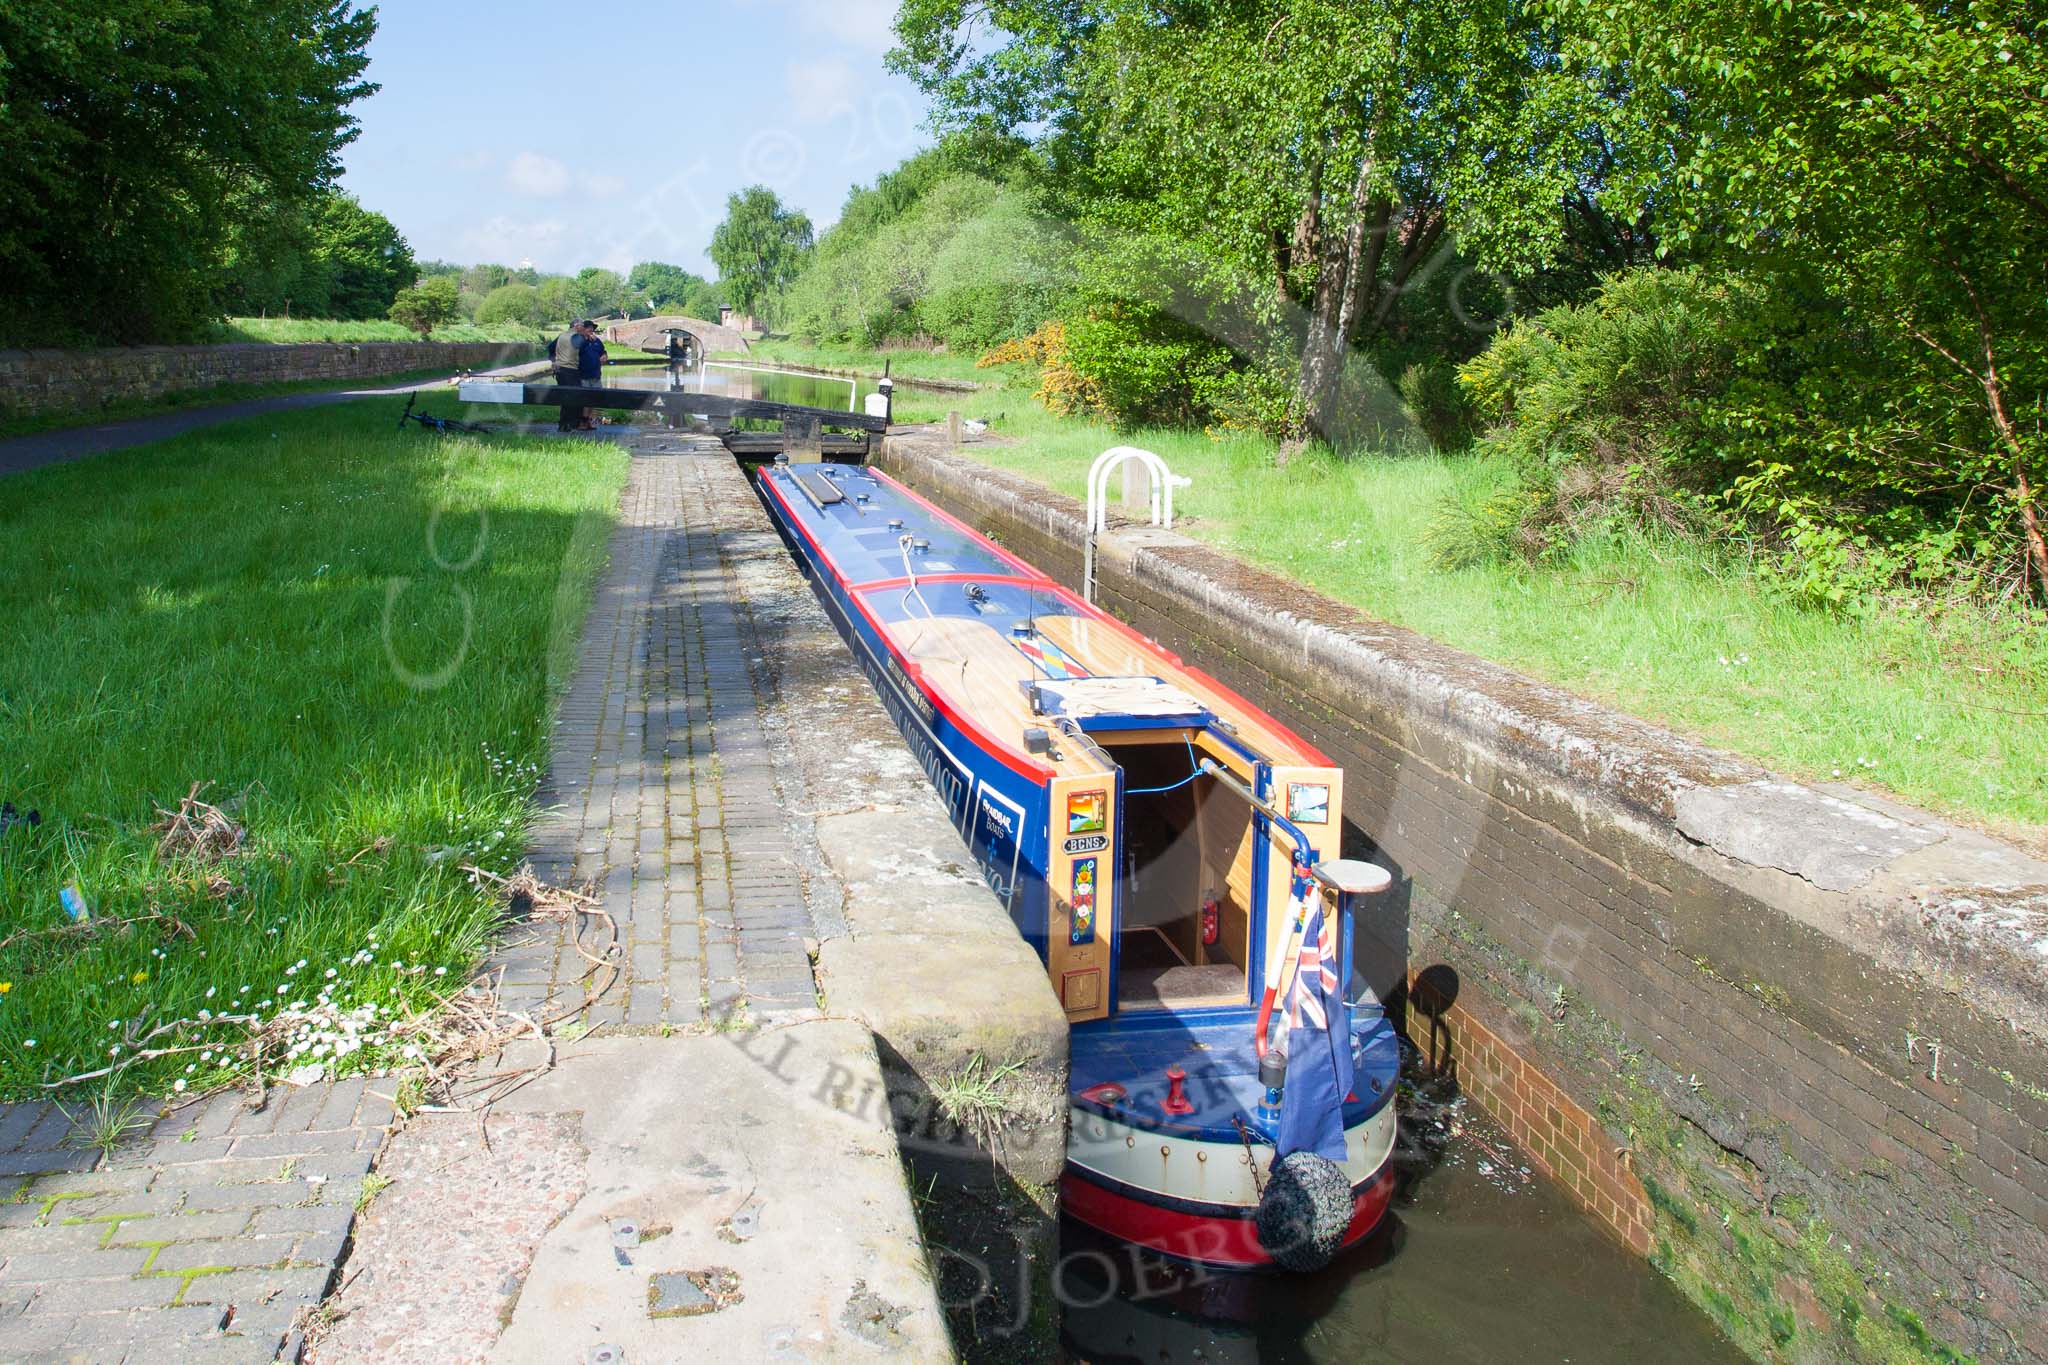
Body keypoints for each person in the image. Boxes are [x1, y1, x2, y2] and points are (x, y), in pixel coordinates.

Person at [549, 320, 589, 432]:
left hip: (561, 370)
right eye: (582, 325)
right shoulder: (576, 336)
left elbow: (551, 348)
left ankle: (564, 424)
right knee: (575, 398)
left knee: (565, 398)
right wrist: (587, 338)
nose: (583, 327)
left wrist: (553, 361)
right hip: (569, 371)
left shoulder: (562, 335)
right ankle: (570, 424)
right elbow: (582, 345)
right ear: (576, 326)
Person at [576, 320, 608, 429]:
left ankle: (589, 421)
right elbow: (577, 352)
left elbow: (603, 351)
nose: (591, 329)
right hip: (583, 374)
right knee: (585, 400)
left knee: (594, 399)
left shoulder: (597, 341)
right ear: (583, 329)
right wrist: (586, 340)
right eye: (588, 327)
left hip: (596, 375)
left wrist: (604, 356)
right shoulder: (579, 340)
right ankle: (582, 422)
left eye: (592, 328)